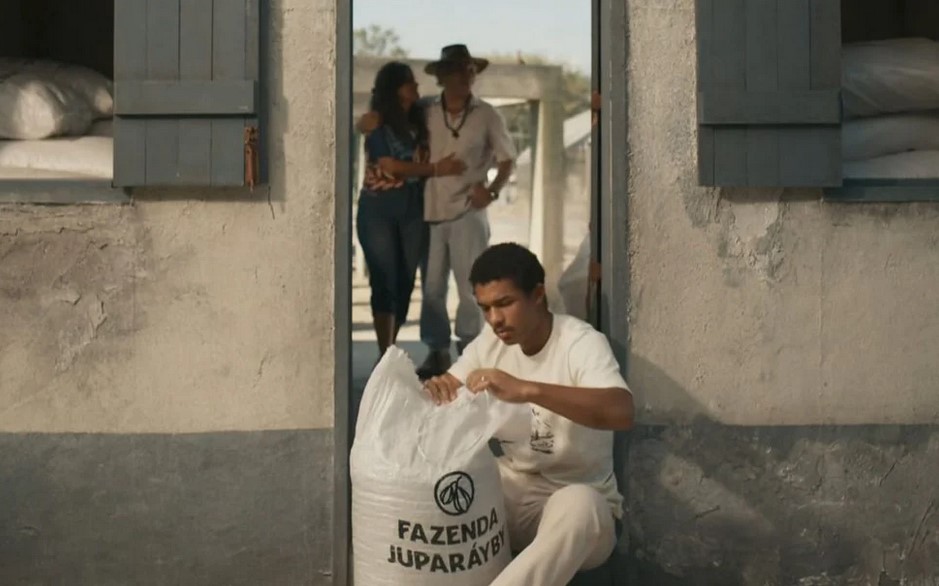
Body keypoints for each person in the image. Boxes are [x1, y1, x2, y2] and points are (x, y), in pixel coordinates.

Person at [424, 242, 634, 586]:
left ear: (537, 294)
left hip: (576, 508)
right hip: (511, 492)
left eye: (505, 304)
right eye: (486, 308)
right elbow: (449, 385)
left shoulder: (580, 342)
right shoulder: (489, 344)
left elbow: (621, 412)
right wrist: (433, 390)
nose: (495, 320)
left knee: (581, 506)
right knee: (448, 485)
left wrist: (528, 389)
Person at [360, 45, 518, 379]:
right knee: (431, 289)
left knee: (471, 288)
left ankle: (470, 352)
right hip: (428, 213)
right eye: (459, 70)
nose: (466, 76)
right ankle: (437, 351)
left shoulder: (488, 114)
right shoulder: (425, 111)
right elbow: (386, 116)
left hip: (468, 213)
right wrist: (365, 121)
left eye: (471, 70)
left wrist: (491, 190)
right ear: (443, 77)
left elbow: (507, 158)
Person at [357, 62, 467, 357]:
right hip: (379, 209)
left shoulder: (421, 118)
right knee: (384, 278)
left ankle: (391, 347)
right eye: (410, 84)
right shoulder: (379, 121)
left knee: (406, 281)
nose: (416, 88)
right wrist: (436, 169)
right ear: (395, 89)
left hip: (413, 208)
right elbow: (389, 166)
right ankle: (385, 353)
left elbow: (447, 100)